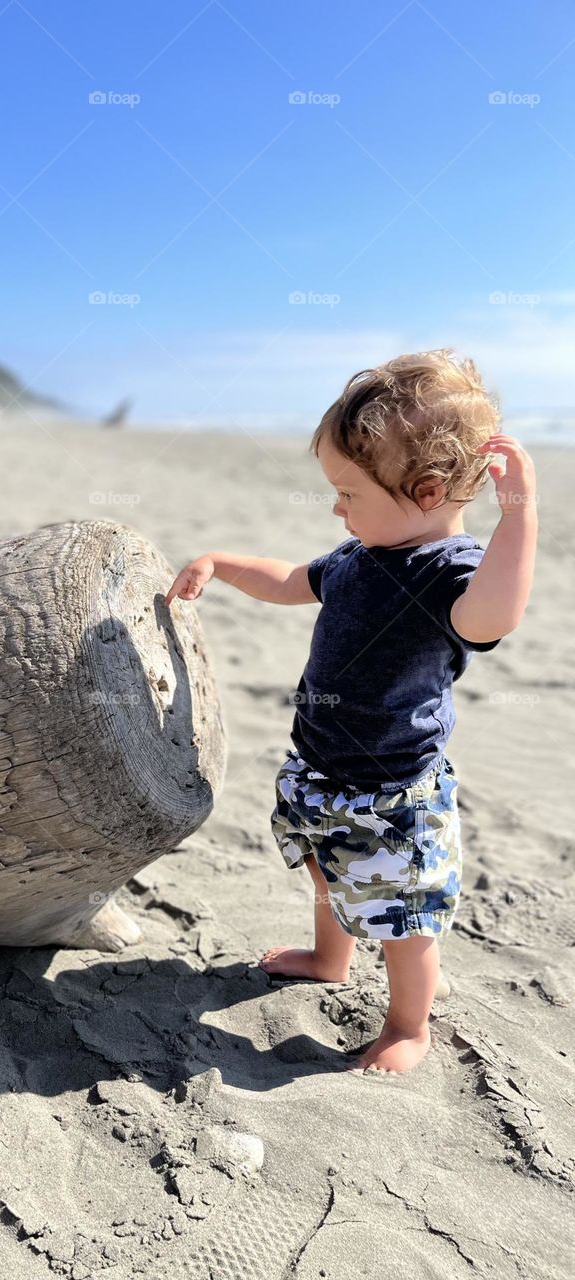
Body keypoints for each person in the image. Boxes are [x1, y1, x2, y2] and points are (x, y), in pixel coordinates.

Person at [164, 350, 538, 1076]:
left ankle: (407, 1025)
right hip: (320, 764)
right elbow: (289, 580)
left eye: (348, 493)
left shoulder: (449, 572)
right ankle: (329, 958)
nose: (337, 508)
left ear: (427, 491)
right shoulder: (359, 555)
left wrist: (519, 514)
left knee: (405, 919)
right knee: (327, 872)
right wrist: (222, 562)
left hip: (393, 790)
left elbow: (494, 615)